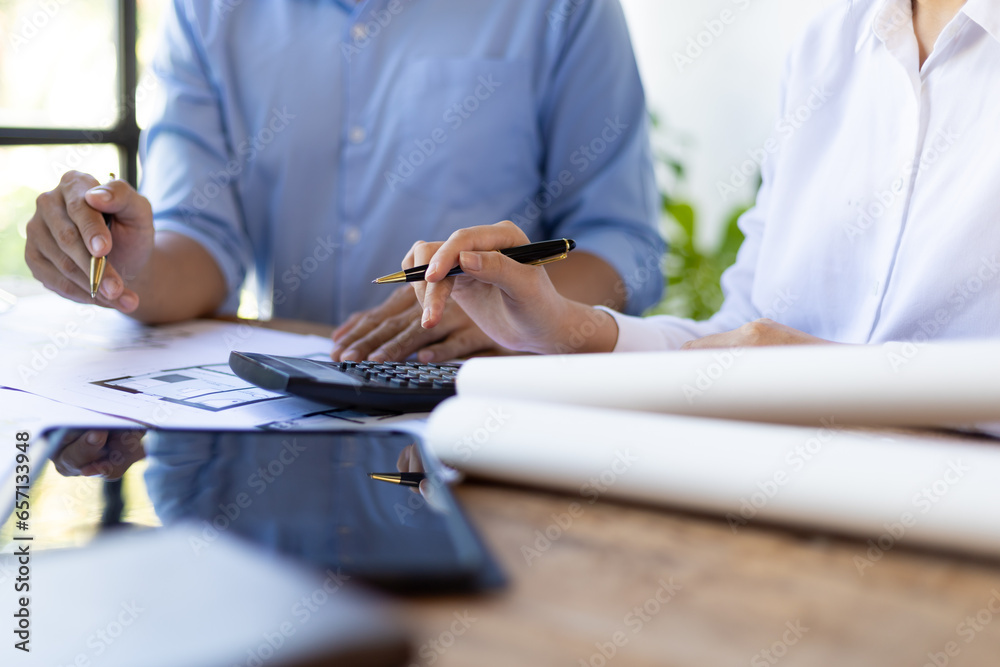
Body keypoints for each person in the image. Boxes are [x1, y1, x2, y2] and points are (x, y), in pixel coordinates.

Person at [23, 0, 664, 363]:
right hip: (292, 419)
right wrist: (126, 265)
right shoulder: (207, 13)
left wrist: (515, 321)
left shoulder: (566, 9)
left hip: (492, 405)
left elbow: (619, 243)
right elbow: (204, 239)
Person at [407, 0, 999, 354]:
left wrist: (836, 379)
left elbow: (778, 358)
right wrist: (566, 328)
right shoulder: (829, 48)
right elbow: (743, 336)